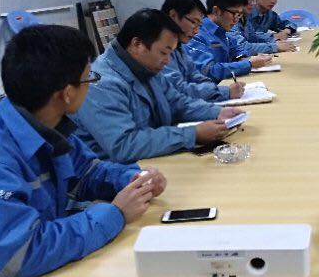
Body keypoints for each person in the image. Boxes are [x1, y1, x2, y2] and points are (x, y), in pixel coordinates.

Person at [0, 25, 166, 277]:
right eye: (89, 78)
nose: (91, 85)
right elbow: (19, 255)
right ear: (67, 93)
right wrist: (114, 214)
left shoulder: (45, 122)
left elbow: (88, 171)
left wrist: (134, 179)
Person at [73, 9, 242, 163]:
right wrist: (192, 134)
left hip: (154, 161)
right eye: (163, 52)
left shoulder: (145, 67)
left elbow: (177, 103)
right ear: (137, 44)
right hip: (120, 174)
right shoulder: (101, 83)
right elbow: (124, 145)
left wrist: (217, 112)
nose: (167, 61)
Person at [162, 0, 244, 102]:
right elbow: (177, 90)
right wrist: (224, 91)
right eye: (193, 22)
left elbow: (196, 76)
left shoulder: (179, 46)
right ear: (173, 16)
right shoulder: (160, 48)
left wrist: (216, 90)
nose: (196, 31)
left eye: (199, 25)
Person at [185, 0, 273, 81]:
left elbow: (237, 49)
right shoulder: (196, 34)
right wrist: (248, 64)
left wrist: (241, 58)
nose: (236, 19)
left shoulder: (223, 31)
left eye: (239, 14)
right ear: (216, 11)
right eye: (234, 13)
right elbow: (208, 71)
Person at [228, 0, 296, 54]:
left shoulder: (244, 17)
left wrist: (275, 41)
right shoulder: (230, 19)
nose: (252, 3)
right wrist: (274, 46)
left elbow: (253, 37)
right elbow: (240, 47)